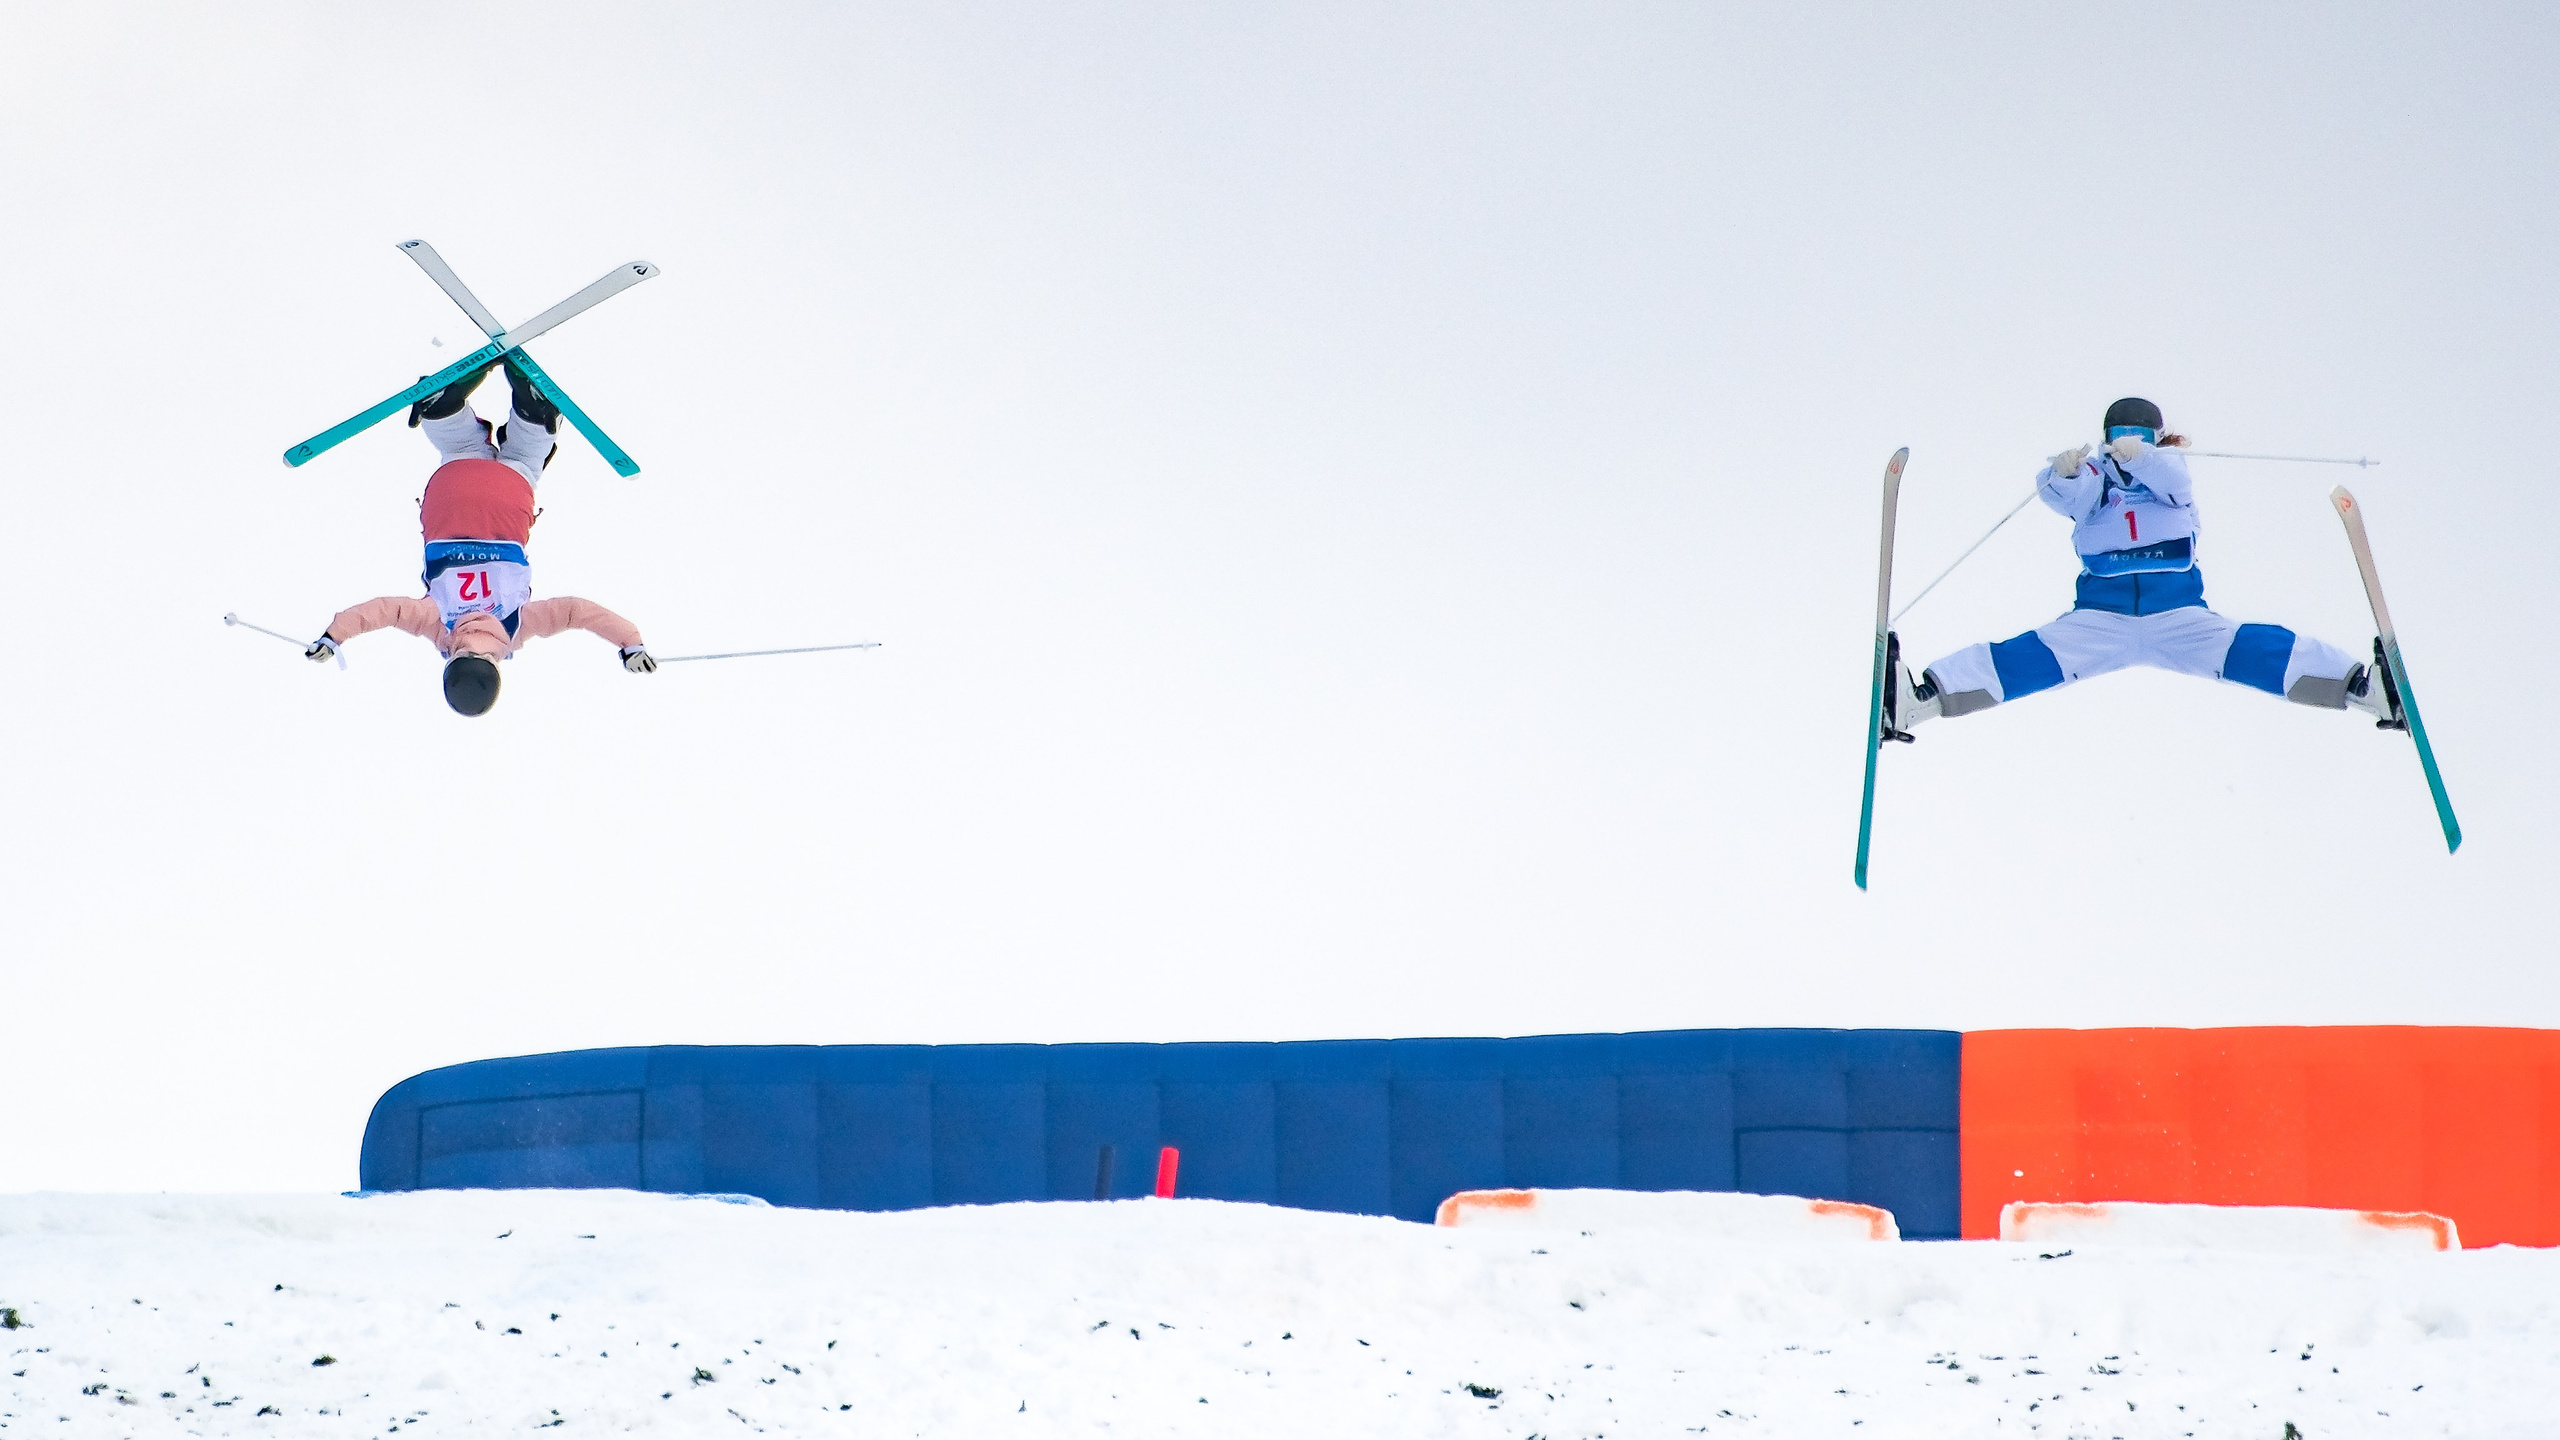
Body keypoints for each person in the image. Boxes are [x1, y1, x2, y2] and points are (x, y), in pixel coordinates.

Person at [1887, 397, 2400, 736]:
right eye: (2119, 433)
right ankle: (1924, 698)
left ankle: (2362, 687)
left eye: (2138, 434)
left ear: (2155, 436)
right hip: (2100, 618)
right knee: (2026, 659)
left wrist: (2142, 457)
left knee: (2256, 648)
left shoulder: (2170, 479)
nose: (2126, 441)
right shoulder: (2098, 483)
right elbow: (2063, 494)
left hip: (2177, 615)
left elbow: (2171, 475)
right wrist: (2063, 471)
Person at [303, 360, 655, 717]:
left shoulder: (519, 624)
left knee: (524, 459)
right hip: (450, 500)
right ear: (452, 662)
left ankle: (535, 409)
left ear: (495, 668)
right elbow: (382, 611)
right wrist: (334, 636)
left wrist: (630, 643)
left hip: (506, 506)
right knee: (460, 449)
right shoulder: (434, 622)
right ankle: (441, 408)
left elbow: (576, 612)